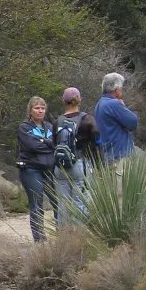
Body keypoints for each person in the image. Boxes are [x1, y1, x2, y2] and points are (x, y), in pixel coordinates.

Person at [53, 87, 100, 224]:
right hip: (79, 165)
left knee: (63, 204)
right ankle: (78, 239)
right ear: (80, 100)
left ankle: (63, 239)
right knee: (81, 202)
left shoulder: (57, 121)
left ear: (63, 101)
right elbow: (97, 143)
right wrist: (98, 167)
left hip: (60, 167)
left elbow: (54, 144)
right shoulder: (88, 120)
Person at [17, 96, 57, 241]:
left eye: (42, 108)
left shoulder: (49, 126)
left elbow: (56, 144)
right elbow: (32, 145)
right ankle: (39, 239)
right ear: (30, 110)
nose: (40, 111)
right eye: (37, 108)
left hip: (49, 169)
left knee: (58, 201)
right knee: (37, 203)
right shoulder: (24, 127)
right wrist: (48, 144)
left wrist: (44, 142)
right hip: (31, 169)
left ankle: (62, 236)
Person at [94, 73, 138, 189]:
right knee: (122, 195)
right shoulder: (113, 104)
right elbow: (133, 122)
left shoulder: (100, 104)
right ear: (117, 89)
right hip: (119, 156)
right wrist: (122, 107)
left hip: (108, 155)